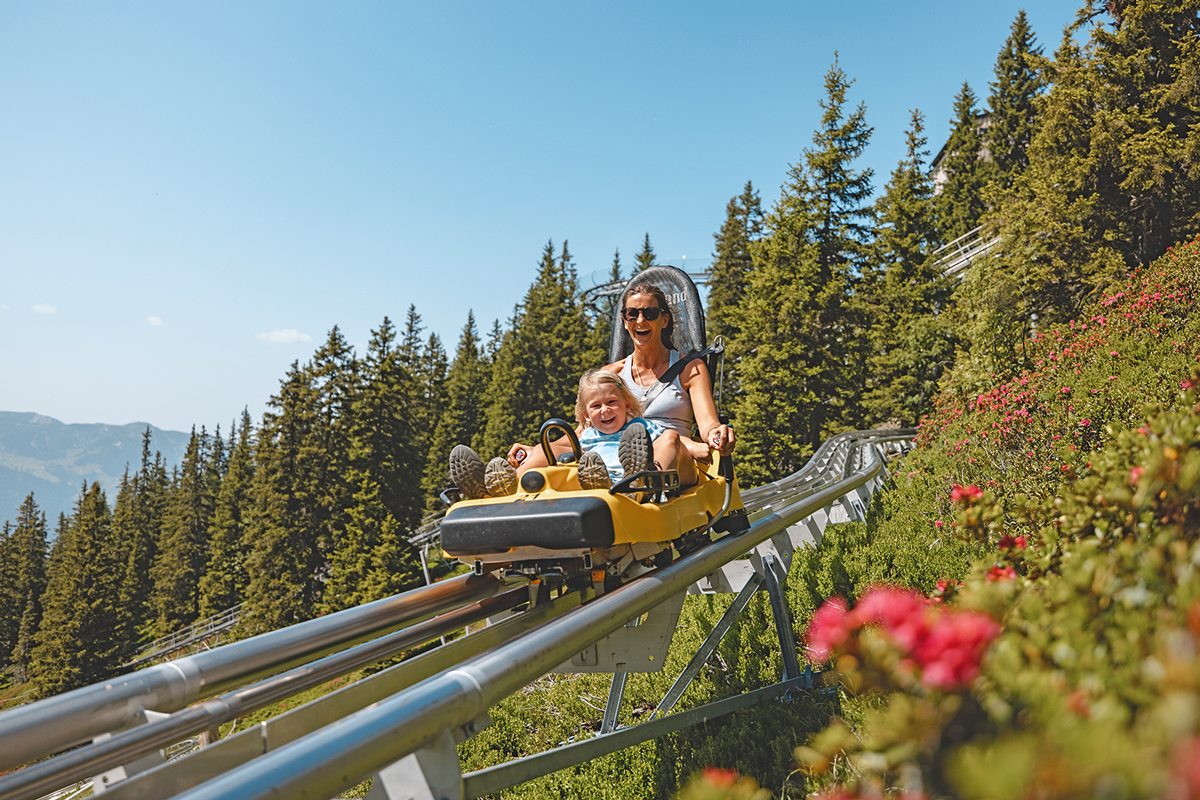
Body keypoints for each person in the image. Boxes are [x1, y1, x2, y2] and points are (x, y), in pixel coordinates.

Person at [449, 369, 690, 499]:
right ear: (586, 414)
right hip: (593, 481)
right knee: (550, 449)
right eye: (596, 406)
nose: (605, 410)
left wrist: (713, 446)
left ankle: (642, 483)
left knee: (669, 438)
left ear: (627, 405)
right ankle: (497, 490)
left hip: (632, 483)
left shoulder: (640, 427)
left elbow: (681, 444)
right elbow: (556, 450)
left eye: (612, 402)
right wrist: (533, 451)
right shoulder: (586, 437)